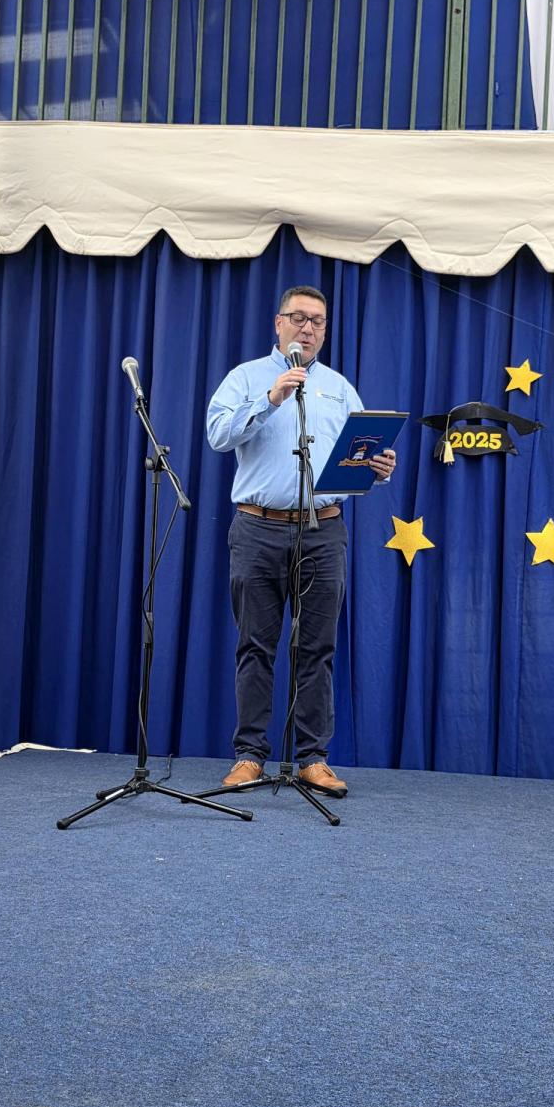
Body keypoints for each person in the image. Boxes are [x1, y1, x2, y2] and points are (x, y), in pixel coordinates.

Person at [206, 286, 396, 790]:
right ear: (279, 323)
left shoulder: (339, 387)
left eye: (318, 322)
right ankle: (249, 755)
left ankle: (313, 758)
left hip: (323, 530)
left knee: (317, 648)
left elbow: (357, 454)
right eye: (299, 318)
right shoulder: (246, 378)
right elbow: (217, 435)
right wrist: (271, 399)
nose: (308, 329)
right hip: (258, 528)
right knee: (256, 646)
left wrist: (378, 468)